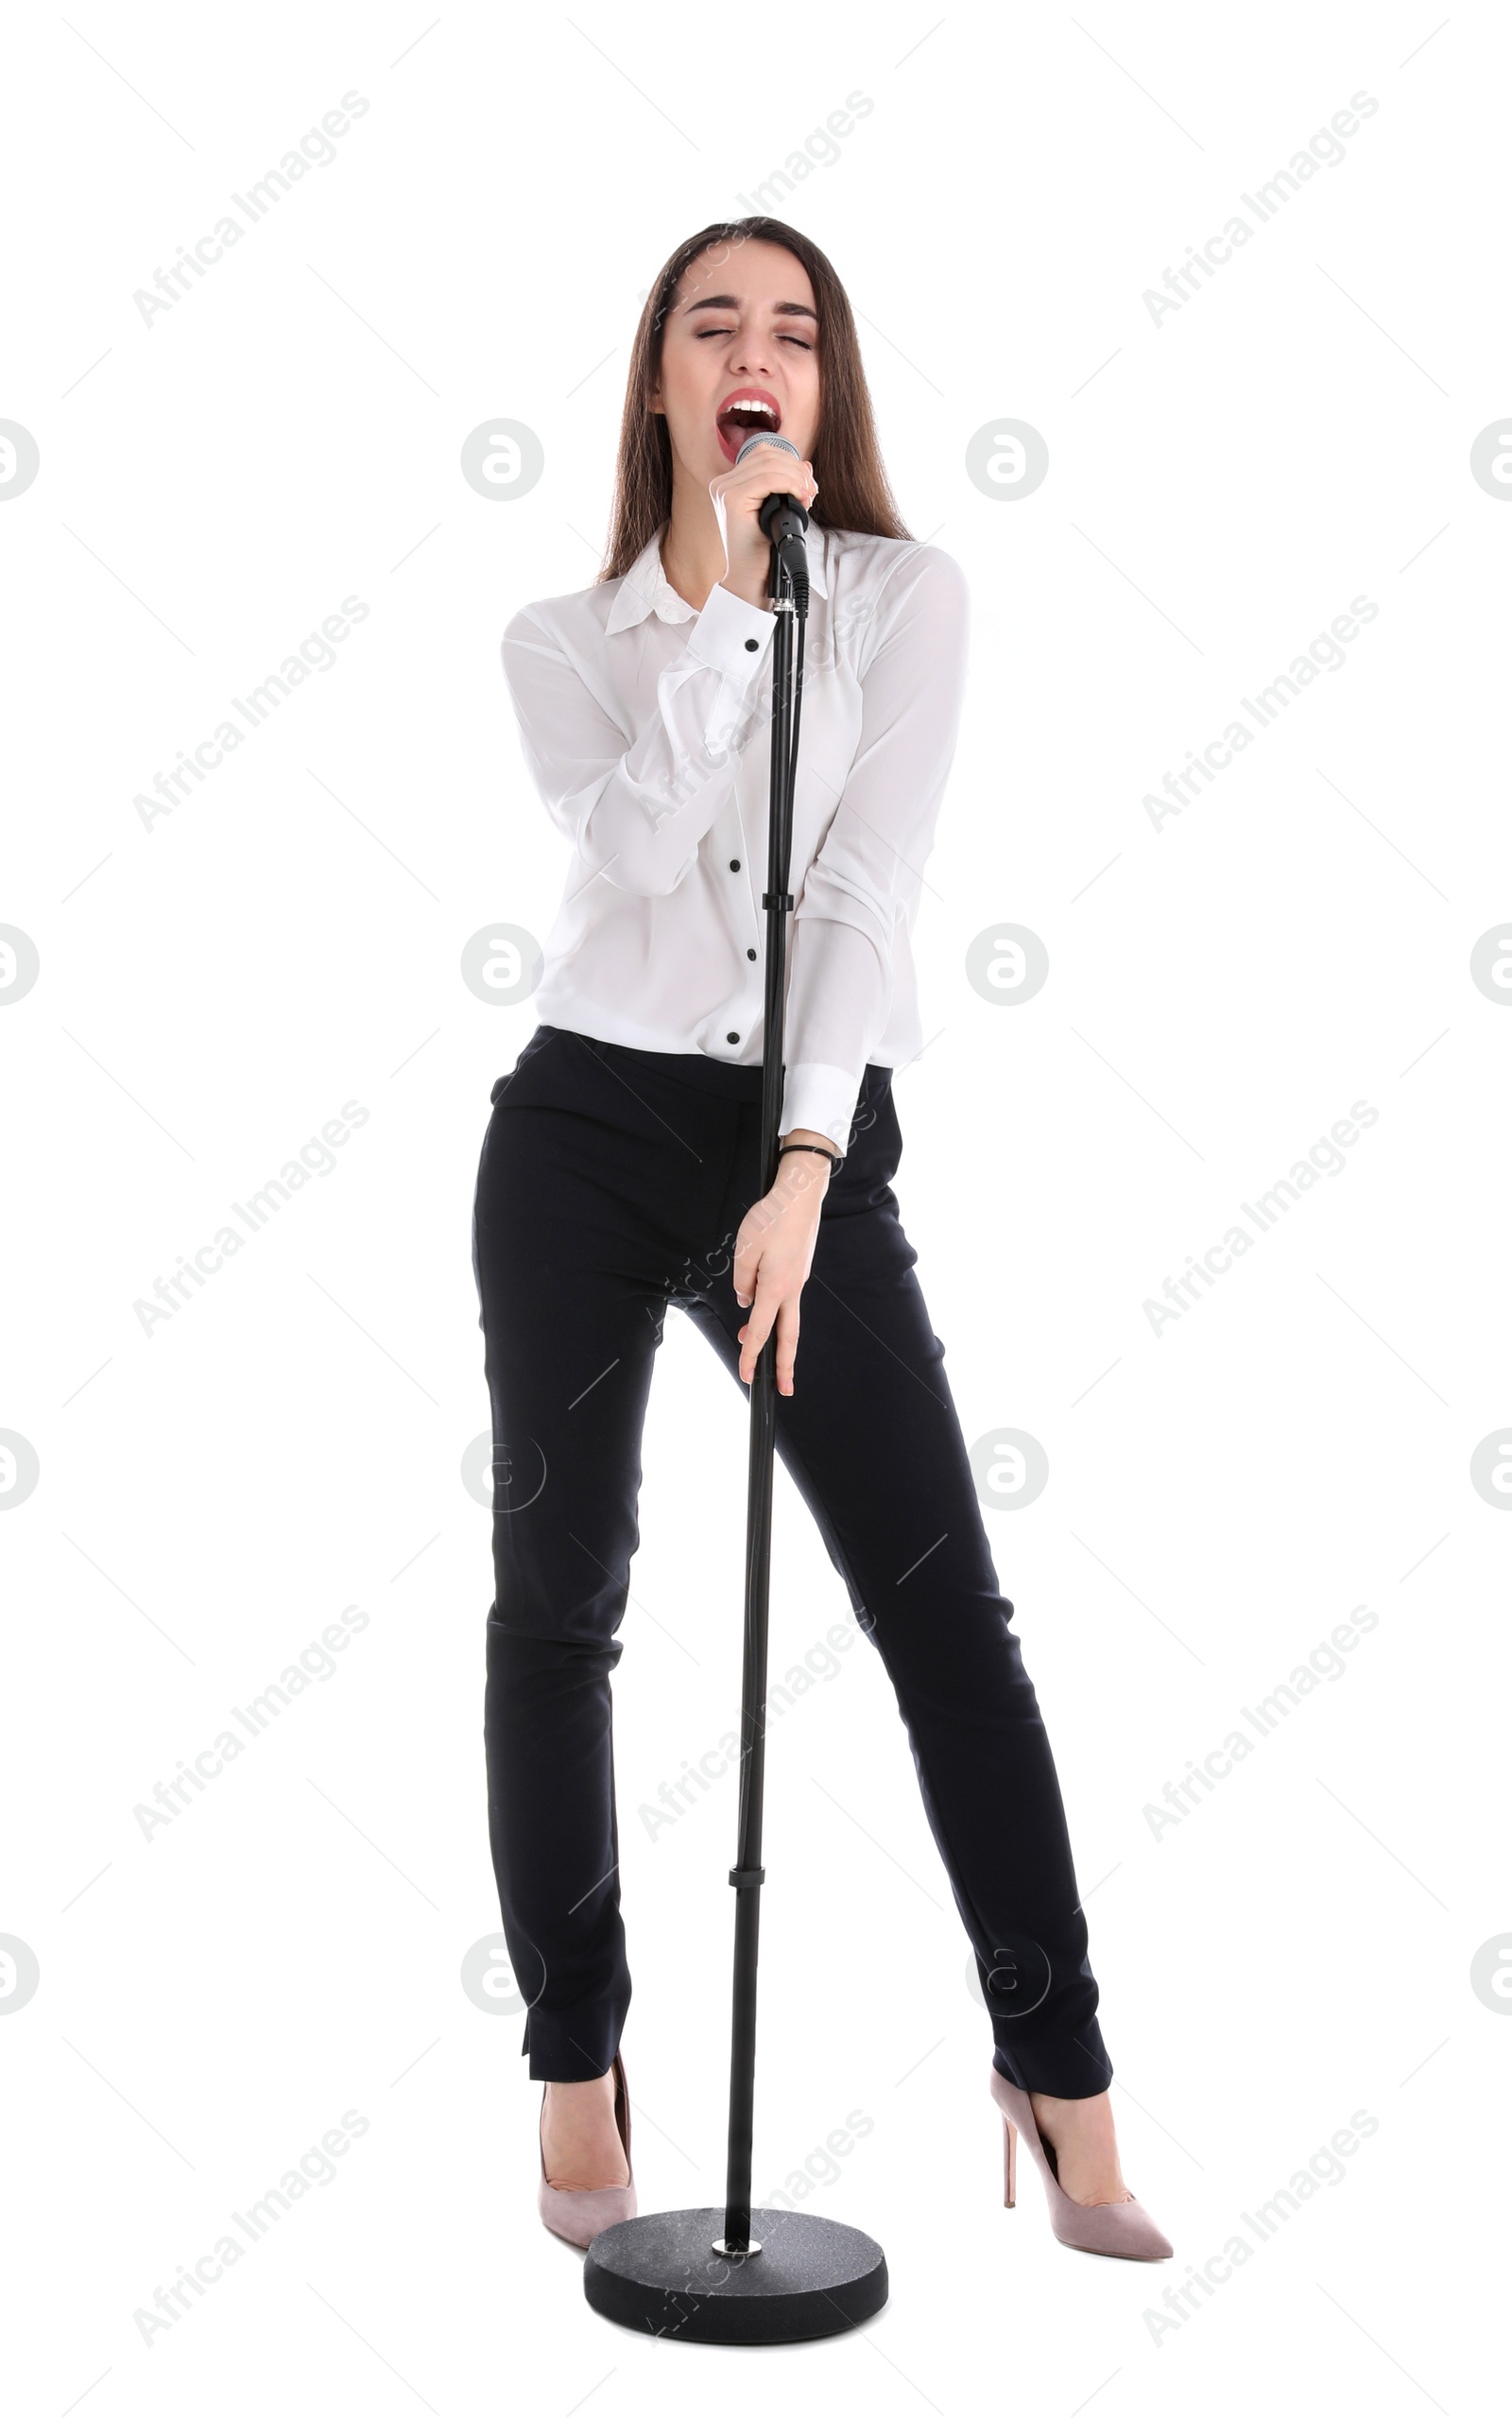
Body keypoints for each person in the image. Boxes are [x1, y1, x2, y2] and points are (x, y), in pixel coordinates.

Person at [472, 215, 1171, 2264]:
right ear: (667, 383)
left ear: (826, 383)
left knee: (942, 1607)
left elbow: (866, 888)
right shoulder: (560, 638)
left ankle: (1058, 2074)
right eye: (715, 325)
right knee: (561, 1598)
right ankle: (573, 2053)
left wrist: (799, 1164)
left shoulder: (903, 597)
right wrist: (711, 595)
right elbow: (623, 848)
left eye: (790, 328)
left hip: (803, 1134)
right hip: (583, 1131)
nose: (752, 352)